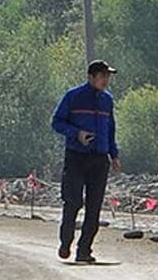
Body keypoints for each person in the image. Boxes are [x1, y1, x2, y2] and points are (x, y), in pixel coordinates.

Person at [52, 60, 122, 262]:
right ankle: (66, 242)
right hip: (76, 157)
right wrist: (77, 134)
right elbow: (56, 122)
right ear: (91, 77)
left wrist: (114, 154)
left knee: (94, 207)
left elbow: (111, 129)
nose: (106, 80)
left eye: (107, 76)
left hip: (100, 160)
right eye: (102, 76)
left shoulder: (107, 101)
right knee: (73, 201)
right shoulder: (73, 96)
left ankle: (84, 251)